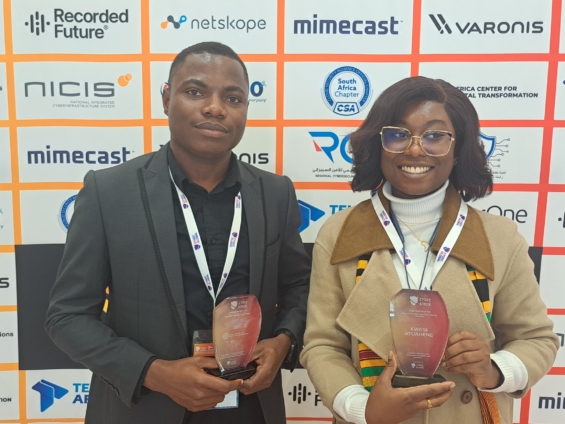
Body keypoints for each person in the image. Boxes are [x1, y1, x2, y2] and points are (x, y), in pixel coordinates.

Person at [46, 42, 310, 424]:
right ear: (167, 99)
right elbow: (67, 317)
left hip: (250, 405)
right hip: (143, 409)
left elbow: (299, 287)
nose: (215, 108)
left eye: (233, 98)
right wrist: (154, 373)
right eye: (195, 91)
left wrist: (283, 341)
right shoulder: (109, 192)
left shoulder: (275, 192)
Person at [300, 76, 558, 424]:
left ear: (458, 148)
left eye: (435, 136)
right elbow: (322, 345)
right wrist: (363, 409)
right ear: (379, 143)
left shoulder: (499, 237)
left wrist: (494, 369)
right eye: (398, 134)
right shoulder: (338, 234)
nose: (414, 149)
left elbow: (537, 339)